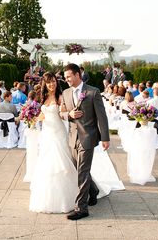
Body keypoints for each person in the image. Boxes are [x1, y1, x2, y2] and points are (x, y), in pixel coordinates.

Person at [61, 63, 110, 220]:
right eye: (65, 76)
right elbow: (61, 113)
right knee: (79, 170)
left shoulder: (93, 92)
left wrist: (105, 137)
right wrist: (69, 114)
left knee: (82, 172)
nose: (66, 79)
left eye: (68, 76)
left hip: (88, 137)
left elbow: (102, 117)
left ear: (77, 75)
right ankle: (93, 190)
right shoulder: (66, 92)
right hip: (72, 137)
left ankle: (81, 208)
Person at [29, 72, 78, 214]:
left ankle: (70, 197)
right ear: (45, 83)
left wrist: (64, 110)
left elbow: (63, 114)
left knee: (61, 162)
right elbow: (41, 114)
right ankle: (47, 197)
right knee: (46, 163)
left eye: (54, 81)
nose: (52, 84)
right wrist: (35, 118)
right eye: (49, 82)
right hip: (46, 133)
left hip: (58, 133)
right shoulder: (42, 97)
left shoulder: (60, 97)